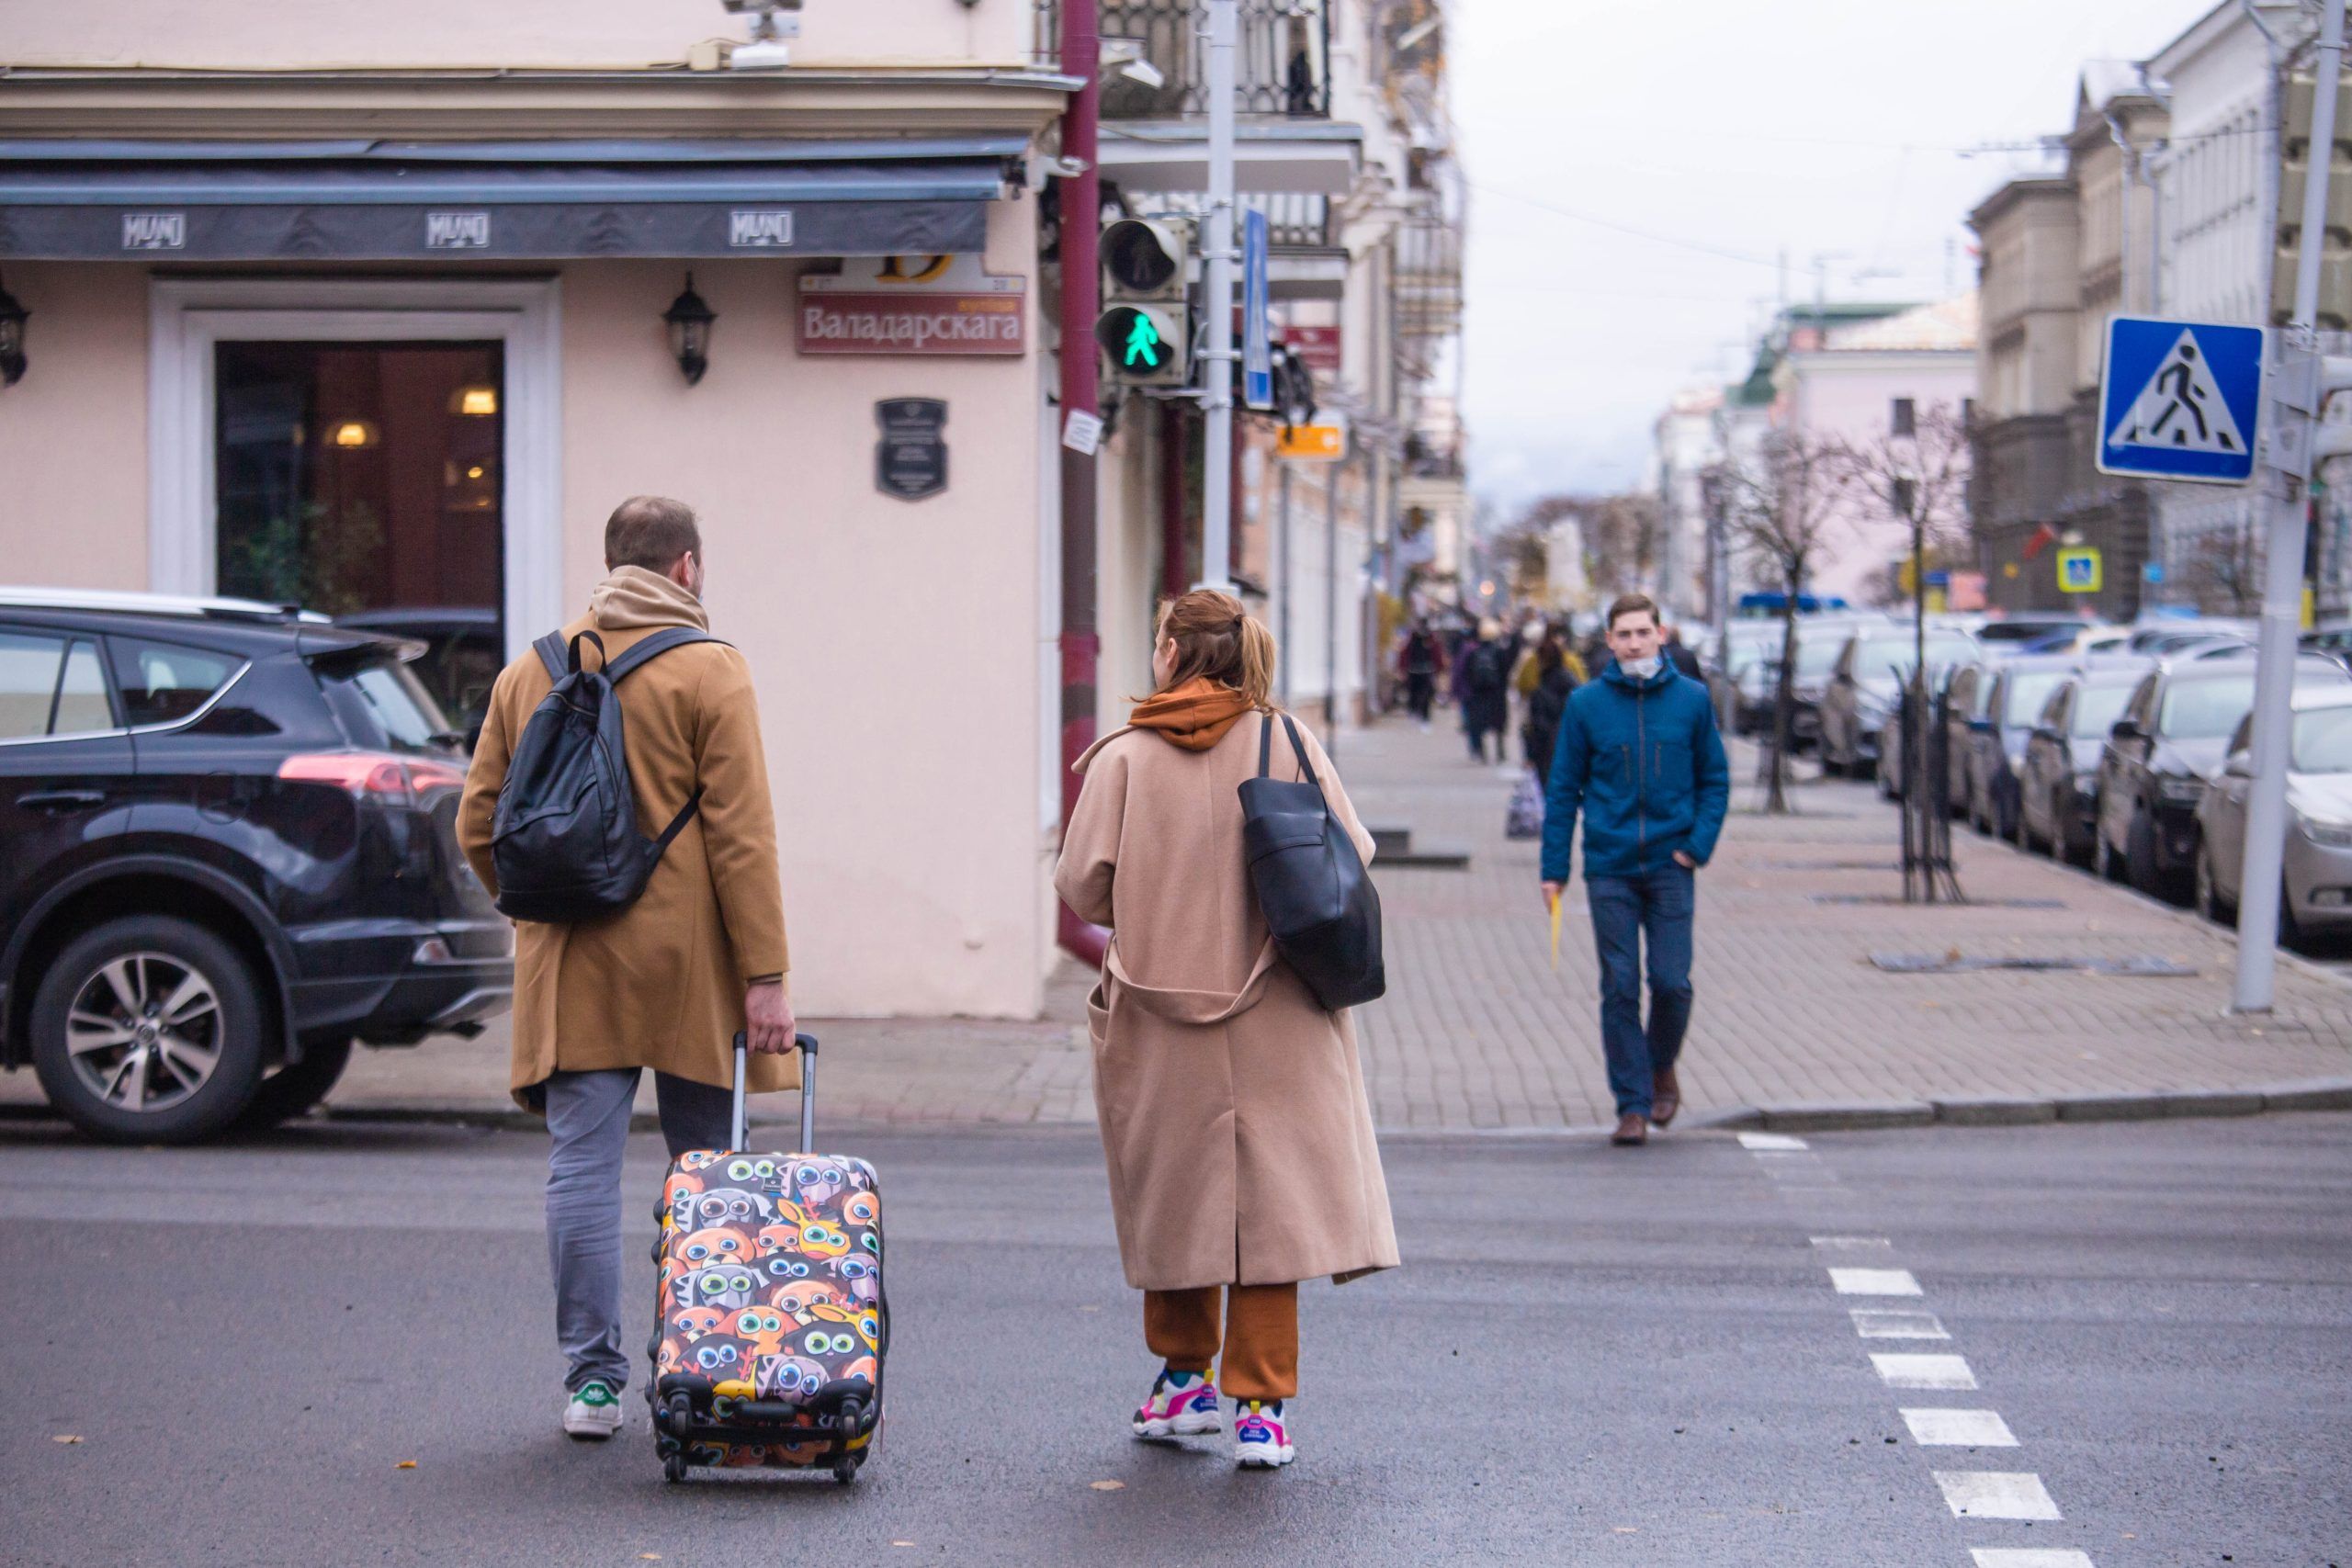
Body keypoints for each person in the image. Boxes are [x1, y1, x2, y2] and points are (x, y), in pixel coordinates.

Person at [458, 495, 797, 1439]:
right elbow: (742, 838)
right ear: (686, 568)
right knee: (710, 1172)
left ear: (612, 564)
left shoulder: (531, 669)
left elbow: (476, 823)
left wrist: (538, 908)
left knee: (580, 1170)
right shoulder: (711, 672)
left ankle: (593, 1383)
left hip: (572, 959)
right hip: (692, 969)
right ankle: (708, 1360)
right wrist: (765, 975)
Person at [1055, 588, 1398, 1472]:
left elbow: (1083, 885)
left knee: (1174, 1199)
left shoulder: (1124, 758)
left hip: (1162, 1015)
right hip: (1280, 1006)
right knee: (1272, 1212)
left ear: (1171, 652)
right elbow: (1351, 851)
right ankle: (1263, 1409)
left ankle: (1182, 1383)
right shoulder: (1287, 741)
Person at [1538, 592, 1729, 1147]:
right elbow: (1563, 791)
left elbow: (1714, 779)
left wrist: (1696, 846)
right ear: (1610, 641)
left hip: (1673, 864)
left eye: (1642, 632)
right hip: (1610, 867)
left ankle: (1660, 1062)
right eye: (1623, 635)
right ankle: (1632, 1105)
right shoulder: (1587, 705)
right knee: (1619, 986)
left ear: (1661, 635)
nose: (1633, 643)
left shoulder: (1692, 701)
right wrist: (1555, 869)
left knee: (1671, 982)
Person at [1521, 631, 1580, 788]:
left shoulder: (1540, 688)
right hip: (1571, 746)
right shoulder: (1573, 682)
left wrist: (1530, 755)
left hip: (1547, 749)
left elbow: (1536, 725)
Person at [1458, 618, 1514, 763]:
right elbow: (1506, 672)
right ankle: (1500, 750)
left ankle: (1482, 751)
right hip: (1497, 693)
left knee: (1479, 722)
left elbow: (1467, 672)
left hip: (1479, 693)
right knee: (1498, 724)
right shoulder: (1500, 652)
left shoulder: (1474, 652)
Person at [1397, 619, 1444, 727]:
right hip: (1413, 670)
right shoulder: (1412, 638)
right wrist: (1403, 668)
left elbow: (1436, 653)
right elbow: (1405, 653)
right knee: (1414, 692)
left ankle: (1425, 716)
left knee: (1426, 694)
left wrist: (1438, 669)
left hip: (1427, 670)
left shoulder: (1431, 639)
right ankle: (1414, 711)